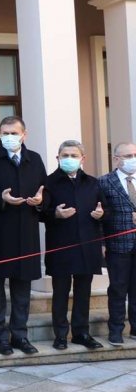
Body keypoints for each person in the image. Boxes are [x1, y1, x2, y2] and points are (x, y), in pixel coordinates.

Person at [0, 115, 47, 356]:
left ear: (24, 135)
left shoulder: (34, 159)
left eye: (14, 133)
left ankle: (20, 335)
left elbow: (45, 191)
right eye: (5, 133)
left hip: (26, 232)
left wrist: (40, 200)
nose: (9, 137)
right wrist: (1, 198)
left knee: (22, 288)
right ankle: (0, 336)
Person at [40, 140, 105, 351]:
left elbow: (106, 210)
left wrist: (102, 214)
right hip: (61, 246)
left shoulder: (93, 183)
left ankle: (81, 333)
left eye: (74, 155)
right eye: (65, 155)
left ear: (82, 159)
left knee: (83, 292)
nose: (69, 159)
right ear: (58, 158)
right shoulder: (48, 182)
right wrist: (55, 214)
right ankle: (60, 335)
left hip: (87, 245)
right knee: (60, 292)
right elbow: (40, 212)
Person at [97, 142, 136, 346]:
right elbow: (100, 216)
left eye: (135, 155)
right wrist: (102, 242)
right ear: (116, 159)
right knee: (118, 289)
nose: (132, 159)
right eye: (128, 156)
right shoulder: (104, 182)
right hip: (118, 244)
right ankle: (116, 330)